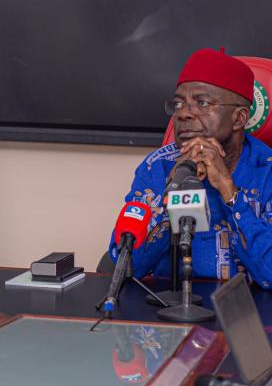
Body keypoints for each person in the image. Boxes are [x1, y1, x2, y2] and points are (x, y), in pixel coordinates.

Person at [109, 48, 272, 288]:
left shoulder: (266, 171)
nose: (183, 114)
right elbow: (128, 267)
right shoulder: (158, 167)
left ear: (239, 119)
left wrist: (228, 190)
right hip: (168, 311)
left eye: (202, 103)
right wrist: (172, 191)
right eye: (178, 104)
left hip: (251, 314)